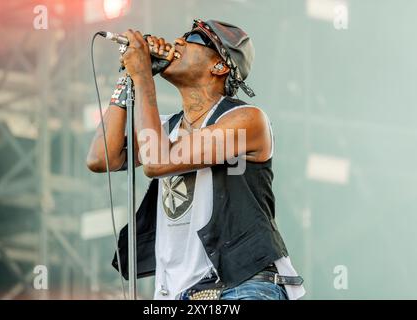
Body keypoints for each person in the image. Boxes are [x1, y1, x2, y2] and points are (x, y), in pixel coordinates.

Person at [87, 19, 305, 300]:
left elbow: (155, 162)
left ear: (220, 65)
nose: (177, 42)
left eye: (194, 39)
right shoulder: (164, 128)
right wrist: (127, 79)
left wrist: (143, 77)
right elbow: (100, 158)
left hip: (241, 286)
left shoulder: (247, 120)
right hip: (178, 293)